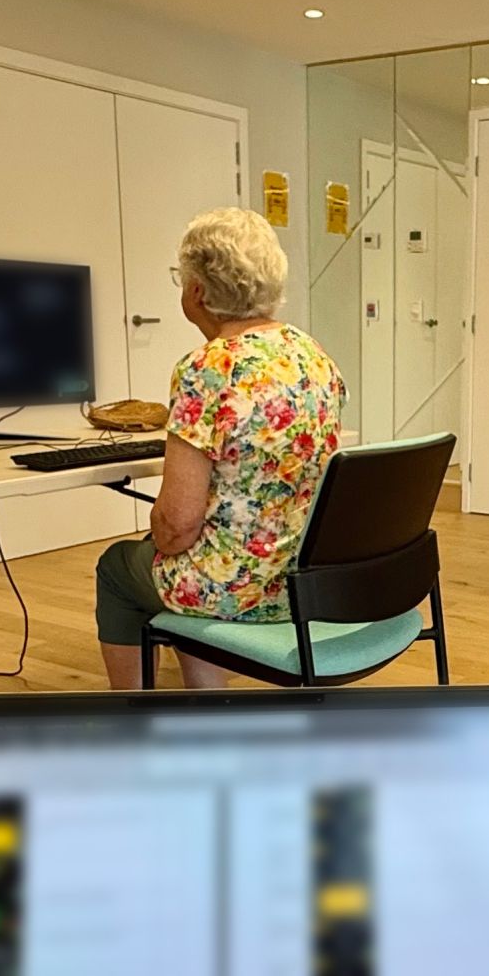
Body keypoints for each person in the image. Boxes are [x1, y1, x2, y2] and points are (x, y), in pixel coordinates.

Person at [95, 207, 346, 689]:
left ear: (197, 291)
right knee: (179, 552)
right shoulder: (312, 355)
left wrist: (163, 540)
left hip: (241, 589)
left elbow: (176, 526)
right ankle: (207, 701)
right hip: (311, 578)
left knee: (118, 567)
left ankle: (130, 719)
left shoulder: (206, 369)